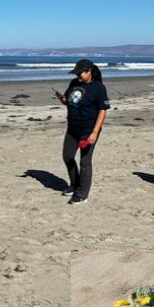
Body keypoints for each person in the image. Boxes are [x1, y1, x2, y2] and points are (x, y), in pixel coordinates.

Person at [55, 59, 109, 205]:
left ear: (89, 71)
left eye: (80, 73)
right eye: (76, 73)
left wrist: (95, 132)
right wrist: (62, 99)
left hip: (88, 130)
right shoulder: (74, 83)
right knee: (67, 156)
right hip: (72, 128)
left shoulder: (98, 88)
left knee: (85, 161)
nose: (78, 76)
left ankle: (82, 194)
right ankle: (74, 184)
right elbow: (70, 101)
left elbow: (102, 111)